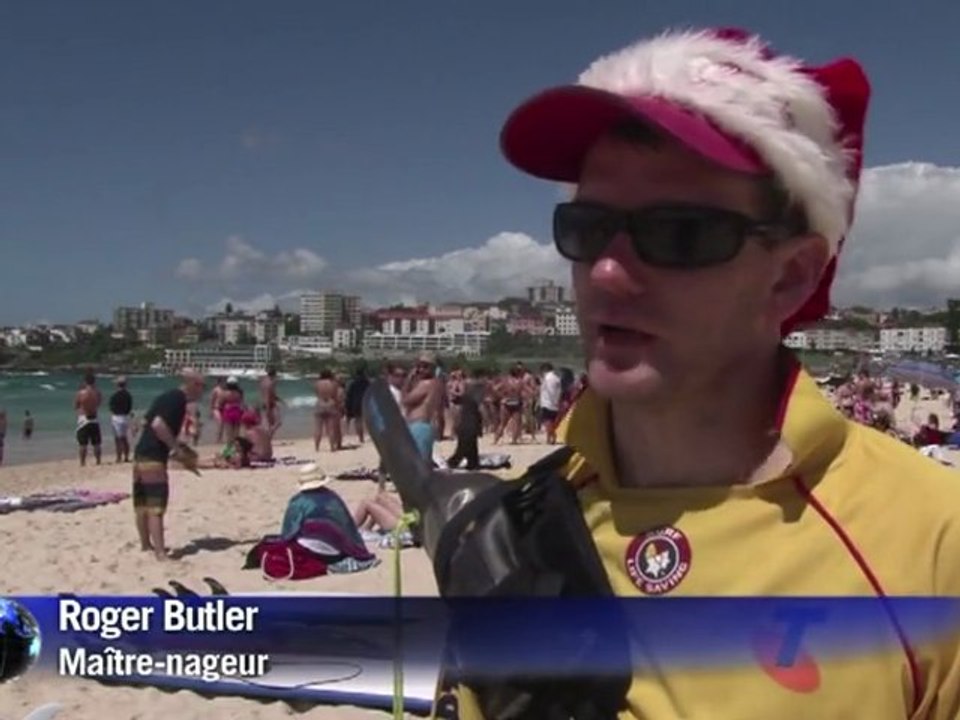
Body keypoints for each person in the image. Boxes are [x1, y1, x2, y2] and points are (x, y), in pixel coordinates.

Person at [432, 27, 960, 720]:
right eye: (588, 227)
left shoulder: (930, 542)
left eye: (679, 234)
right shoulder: (521, 521)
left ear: (791, 275)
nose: (610, 273)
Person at [131, 370, 205, 560]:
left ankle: (146, 544)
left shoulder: (165, 397)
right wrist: (175, 449)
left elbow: (143, 421)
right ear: (193, 384)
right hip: (154, 456)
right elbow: (158, 425)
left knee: (142, 503)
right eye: (202, 386)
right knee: (156, 505)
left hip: (141, 453)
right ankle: (160, 553)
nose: (203, 392)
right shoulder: (177, 399)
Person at [401, 352, 443, 462]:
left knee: (417, 464)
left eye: (425, 366)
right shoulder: (436, 383)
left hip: (418, 426)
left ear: (433, 368)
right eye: (419, 366)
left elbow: (405, 400)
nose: (421, 369)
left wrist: (409, 378)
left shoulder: (426, 384)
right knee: (422, 463)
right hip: (424, 425)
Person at [74, 371, 102, 466]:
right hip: (94, 418)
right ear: (94, 381)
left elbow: (76, 406)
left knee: (83, 443)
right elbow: (98, 404)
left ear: (85, 381)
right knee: (96, 443)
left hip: (83, 419)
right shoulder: (97, 393)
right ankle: (98, 461)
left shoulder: (80, 393)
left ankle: (82, 462)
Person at [108, 376, 134, 463]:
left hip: (117, 417)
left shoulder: (114, 395)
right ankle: (126, 456)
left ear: (117, 385)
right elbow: (129, 408)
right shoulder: (128, 395)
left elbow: (111, 408)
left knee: (117, 439)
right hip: (125, 417)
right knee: (124, 438)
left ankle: (119, 457)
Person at [538, 362, 562, 444]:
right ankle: (549, 438)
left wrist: (553, 401)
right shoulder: (556, 378)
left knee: (547, 421)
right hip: (554, 403)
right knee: (551, 421)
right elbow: (558, 391)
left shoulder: (548, 379)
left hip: (548, 403)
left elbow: (551, 391)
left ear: (545, 370)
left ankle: (552, 436)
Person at [259, 366, 284, 437]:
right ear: (274, 375)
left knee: (269, 424)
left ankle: (268, 437)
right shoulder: (270, 383)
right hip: (269, 405)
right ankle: (268, 436)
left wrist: (281, 400)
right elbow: (267, 396)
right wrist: (268, 409)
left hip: (265, 404)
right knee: (277, 422)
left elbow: (270, 394)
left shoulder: (263, 381)